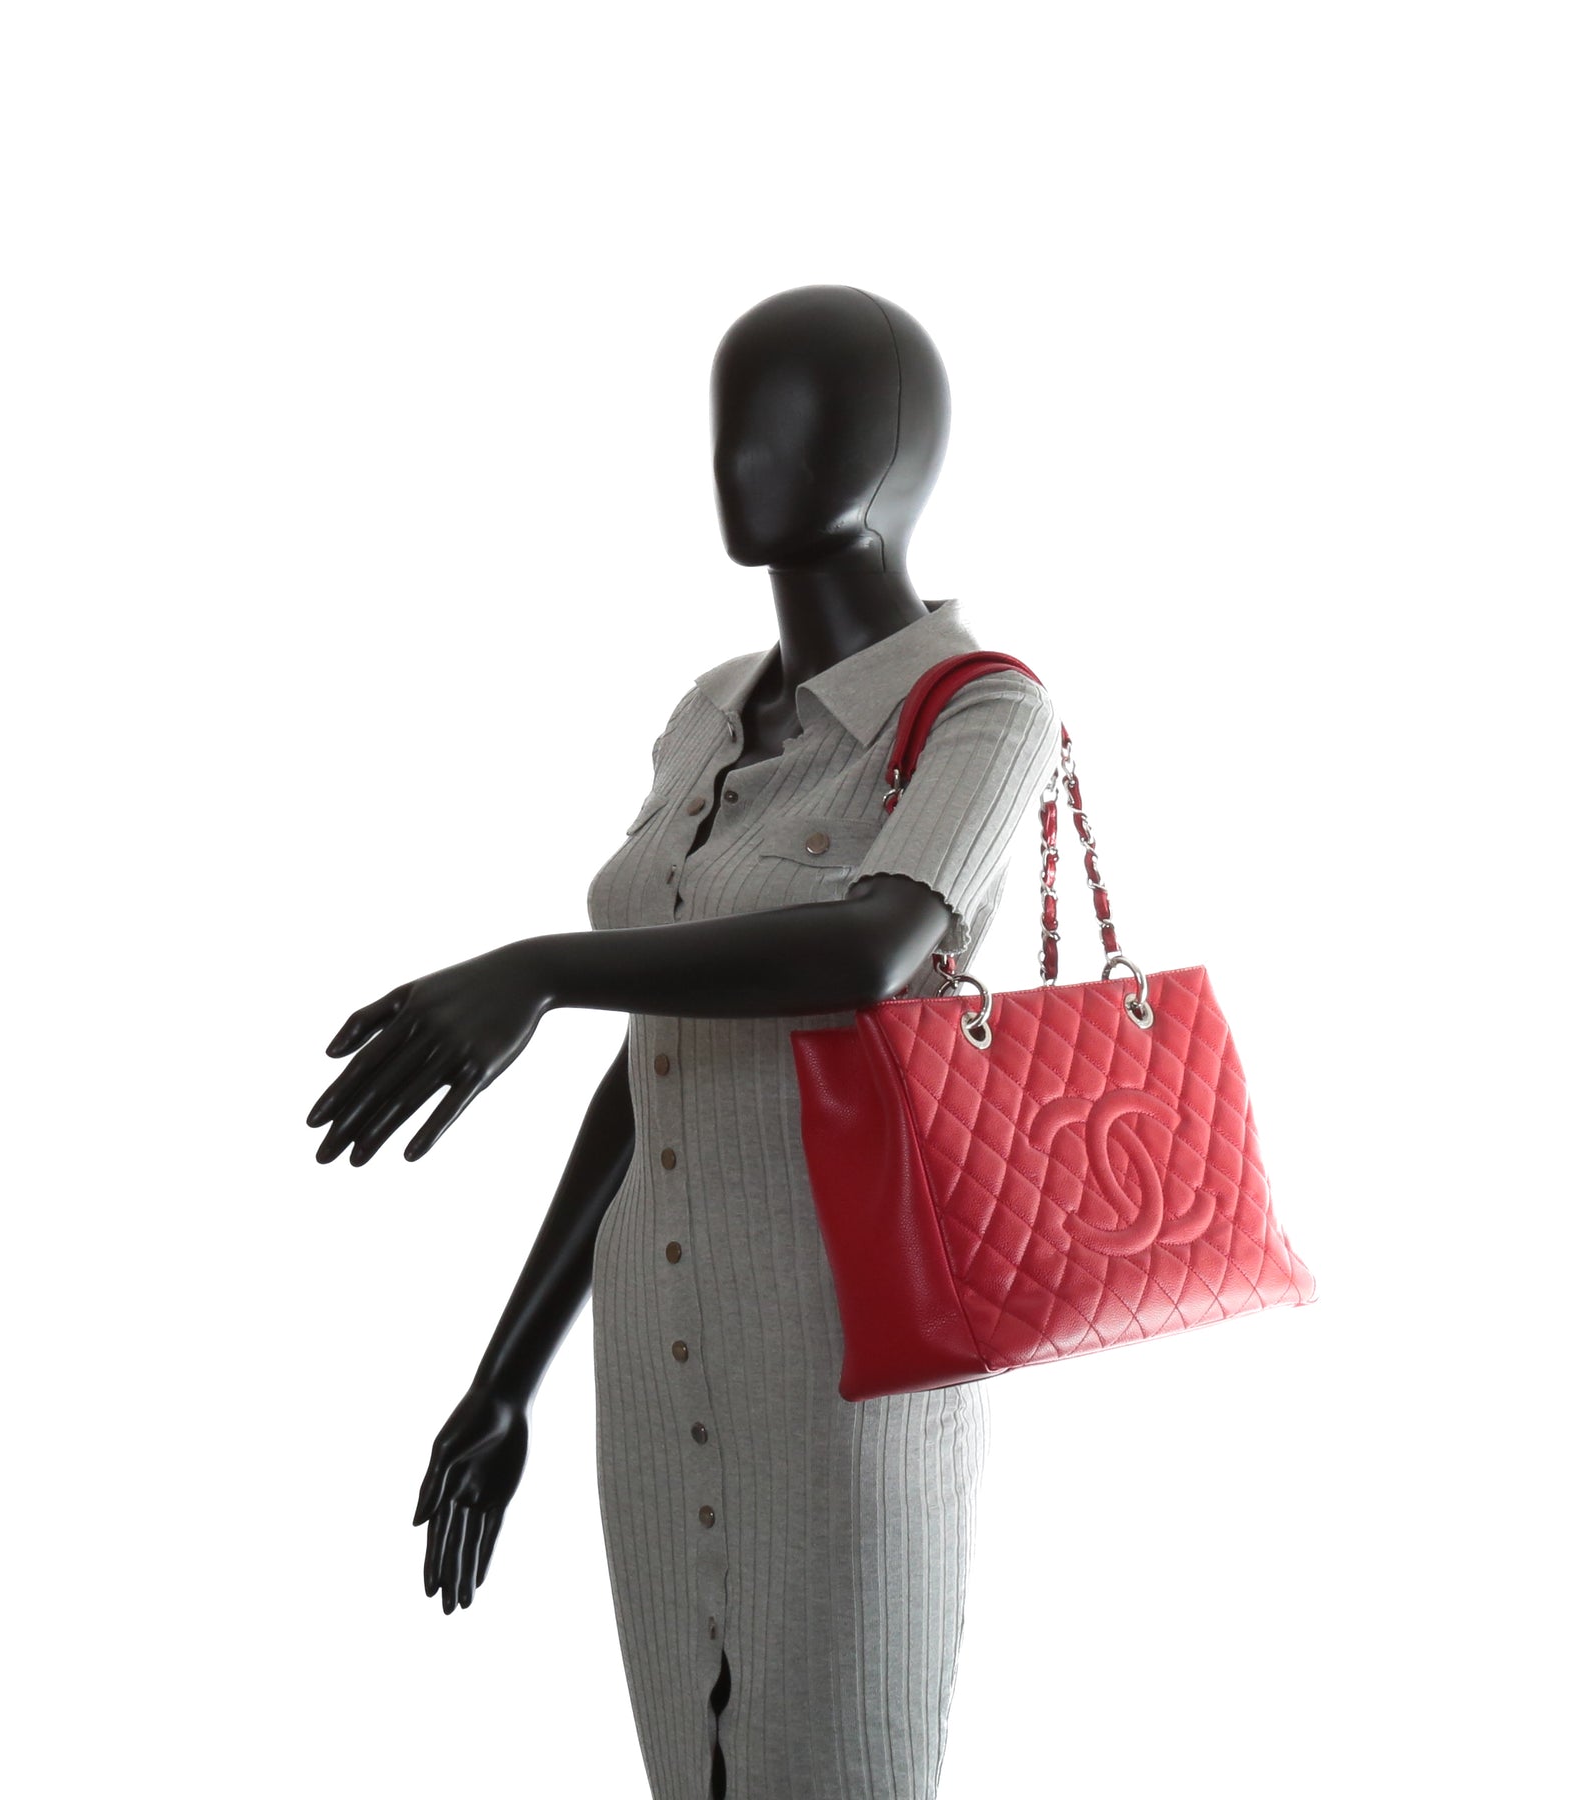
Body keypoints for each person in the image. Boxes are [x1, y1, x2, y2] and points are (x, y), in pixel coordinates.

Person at [308, 285, 1058, 1800]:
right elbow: (654, 1067)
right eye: (731, 417)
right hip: (656, 1364)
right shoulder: (707, 714)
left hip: (849, 1366)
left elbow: (866, 949)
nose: (744, 455)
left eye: (793, 419)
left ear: (896, 454)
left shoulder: (984, 713)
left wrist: (539, 968)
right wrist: (505, 1375)